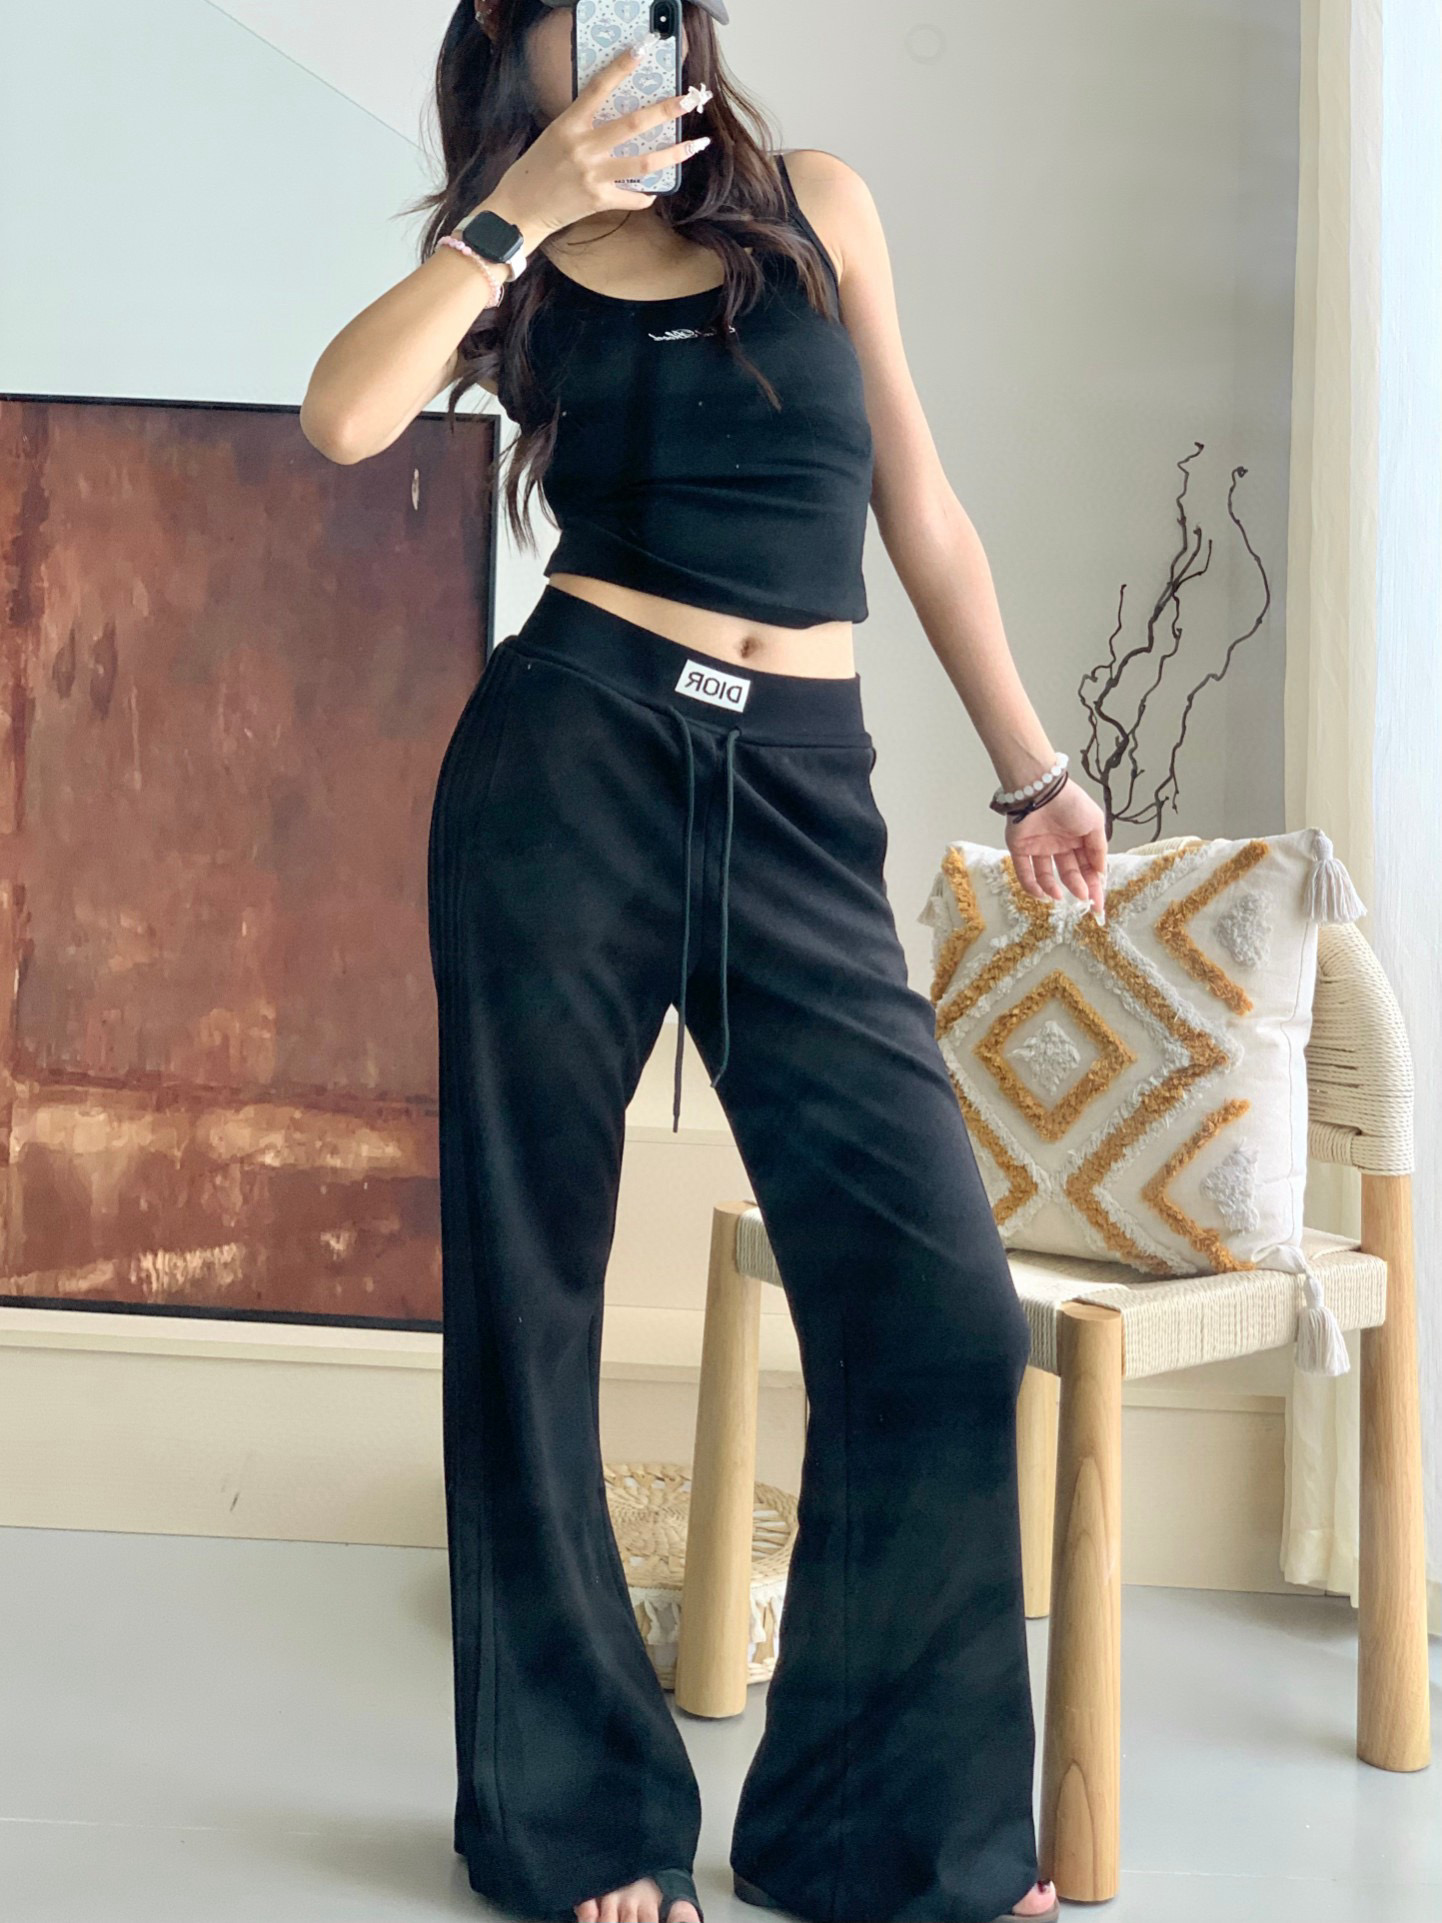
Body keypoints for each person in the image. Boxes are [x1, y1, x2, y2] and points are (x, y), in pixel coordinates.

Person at [302, 5, 1106, 1920]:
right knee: (532, 1301)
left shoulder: (818, 208)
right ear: (516, 48)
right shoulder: (515, 260)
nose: (628, 52)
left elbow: (919, 511)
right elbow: (340, 417)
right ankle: (577, 1824)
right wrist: (514, 209)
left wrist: (1030, 771)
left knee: (938, 1312)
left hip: (804, 787)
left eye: (648, 15)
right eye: (583, 25)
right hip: (570, 766)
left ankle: (873, 1836)